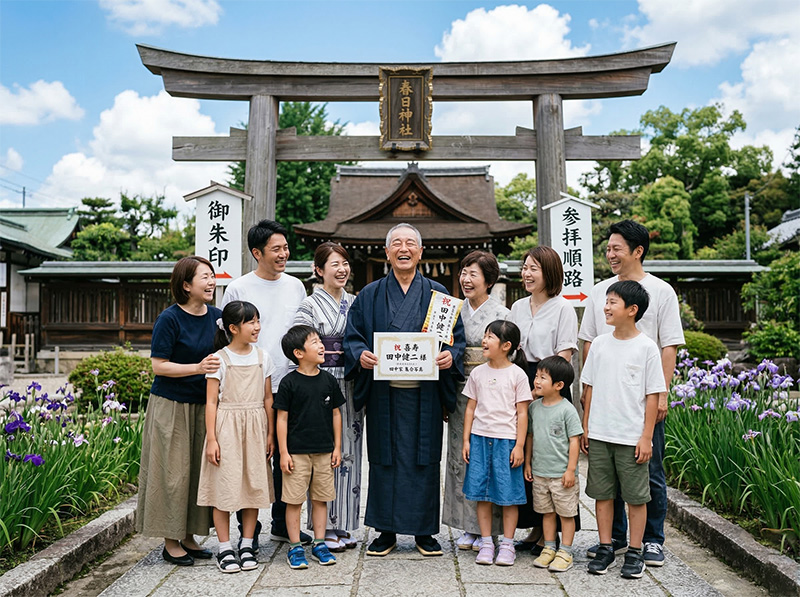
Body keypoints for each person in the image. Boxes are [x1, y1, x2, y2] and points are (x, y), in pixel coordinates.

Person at [344, 223, 465, 557]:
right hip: (385, 393)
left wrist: (447, 355)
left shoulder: (438, 295)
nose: (404, 248)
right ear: (386, 252)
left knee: (424, 459)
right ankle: (386, 530)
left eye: (411, 242)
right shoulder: (369, 295)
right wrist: (361, 355)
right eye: (396, 243)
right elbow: (353, 336)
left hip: (424, 394)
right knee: (384, 458)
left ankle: (424, 531)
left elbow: (455, 340)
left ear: (421, 252)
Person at [579, 220, 685, 567]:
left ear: (638, 251)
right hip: (606, 399)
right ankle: (616, 540)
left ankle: (652, 540)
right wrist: (587, 395)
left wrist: (664, 393)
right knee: (610, 474)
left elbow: (668, 346)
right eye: (607, 248)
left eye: (616, 249)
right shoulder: (599, 292)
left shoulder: (661, 291)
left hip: (643, 398)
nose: (610, 254)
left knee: (648, 469)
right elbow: (589, 343)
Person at [221, 219, 311, 546]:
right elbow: (228, 336)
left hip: (290, 381)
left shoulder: (295, 286)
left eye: (285, 248)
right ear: (257, 252)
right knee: (252, 457)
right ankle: (249, 529)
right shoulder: (238, 288)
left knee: (288, 455)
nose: (284, 254)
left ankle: (281, 521)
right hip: (252, 384)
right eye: (276, 249)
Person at [136, 256, 221, 566]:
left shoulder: (218, 317)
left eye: (212, 276)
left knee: (199, 475)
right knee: (172, 474)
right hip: (171, 406)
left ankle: (189, 536)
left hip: (205, 406)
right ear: (186, 285)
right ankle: (170, 541)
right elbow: (159, 365)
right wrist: (197, 367)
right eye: (205, 277)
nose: (212, 281)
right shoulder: (169, 319)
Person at [580, 280, 666, 579]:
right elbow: (588, 387)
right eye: (607, 301)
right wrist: (586, 426)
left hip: (631, 438)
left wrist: (646, 437)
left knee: (636, 497)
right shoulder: (600, 344)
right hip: (601, 433)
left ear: (632, 310)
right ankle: (605, 546)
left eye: (613, 302)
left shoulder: (647, 348)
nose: (606, 306)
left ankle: (635, 550)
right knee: (602, 495)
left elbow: (653, 395)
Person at [509, 245, 579, 552]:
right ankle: (535, 527)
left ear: (549, 273)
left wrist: (544, 384)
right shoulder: (517, 307)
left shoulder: (563, 308)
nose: (526, 273)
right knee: (525, 449)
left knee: (549, 453)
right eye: (524, 267)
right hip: (521, 377)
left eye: (533, 268)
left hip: (551, 380)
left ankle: (552, 532)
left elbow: (564, 355)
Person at [293, 242, 361, 552]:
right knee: (324, 452)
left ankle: (343, 523)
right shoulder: (309, 305)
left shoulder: (355, 302)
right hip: (321, 383)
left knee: (350, 450)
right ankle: (325, 526)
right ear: (319, 271)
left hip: (350, 381)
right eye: (334, 264)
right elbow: (298, 340)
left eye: (345, 263)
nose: (342, 269)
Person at [198, 300, 275, 573]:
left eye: (257, 321)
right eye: (250, 322)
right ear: (233, 328)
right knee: (224, 489)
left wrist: (271, 435)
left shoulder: (263, 357)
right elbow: (210, 403)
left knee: (252, 488)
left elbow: (268, 399)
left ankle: (246, 542)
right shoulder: (219, 359)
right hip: (226, 428)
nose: (257, 327)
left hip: (255, 428)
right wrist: (212, 439)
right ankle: (224, 547)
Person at [443, 250, 508, 551]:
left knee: (490, 458)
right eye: (464, 273)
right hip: (459, 390)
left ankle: (491, 528)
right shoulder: (453, 311)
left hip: (493, 392)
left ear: (489, 280)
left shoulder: (501, 315)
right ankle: (466, 526)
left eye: (474, 274)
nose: (466, 280)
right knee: (461, 455)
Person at [462, 320, 532, 566]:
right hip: (480, 439)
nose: (484, 340)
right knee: (482, 493)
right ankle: (486, 542)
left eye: (490, 337)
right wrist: (466, 440)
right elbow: (470, 408)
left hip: (507, 441)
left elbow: (522, 413)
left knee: (509, 495)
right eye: (485, 335)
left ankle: (508, 544)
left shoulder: (518, 374)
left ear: (506, 346)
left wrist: (520, 446)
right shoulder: (479, 373)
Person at [274, 325, 344, 569]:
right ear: (298, 353)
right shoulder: (289, 383)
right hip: (296, 453)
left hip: (324, 450)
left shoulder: (328, 380)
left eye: (319, 340)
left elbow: (336, 414)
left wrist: (337, 447)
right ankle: (294, 546)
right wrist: (283, 452)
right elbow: (281, 419)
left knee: (321, 498)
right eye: (314, 342)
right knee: (294, 501)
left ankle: (320, 543)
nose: (321, 345)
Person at [524, 356, 582, 573]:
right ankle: (549, 547)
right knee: (546, 512)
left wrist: (570, 470)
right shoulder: (534, 407)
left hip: (561, 474)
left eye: (543, 378)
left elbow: (574, 440)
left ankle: (565, 551)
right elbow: (529, 436)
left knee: (566, 514)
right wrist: (528, 463)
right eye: (537, 376)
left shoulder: (567, 410)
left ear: (559, 385)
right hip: (540, 472)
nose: (537, 381)